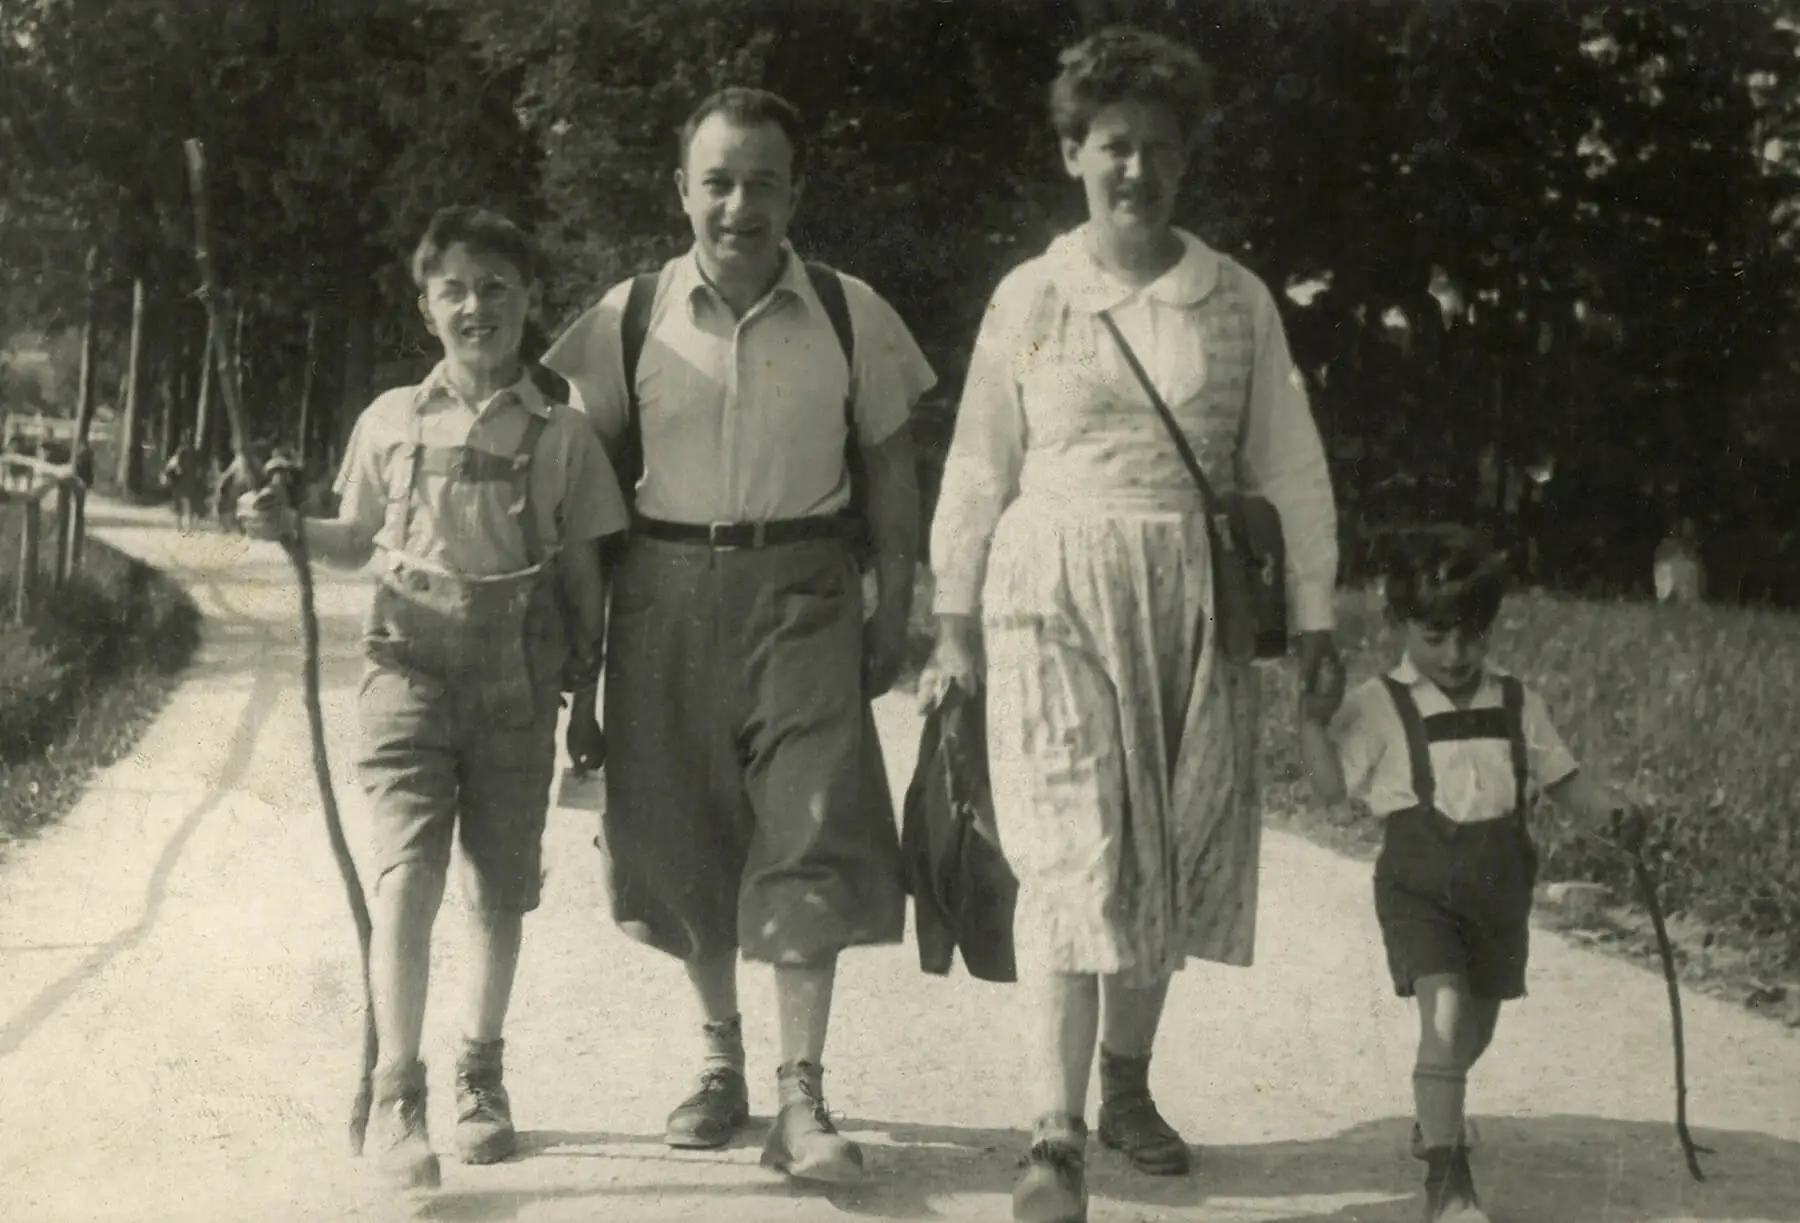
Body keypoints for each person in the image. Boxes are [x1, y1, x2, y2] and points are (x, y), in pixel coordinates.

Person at [921, 27, 1343, 1222]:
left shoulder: (1237, 299)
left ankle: (1127, 1085)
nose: (1137, 171)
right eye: (1114, 147)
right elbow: (976, 465)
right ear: (1073, 154)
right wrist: (952, 622)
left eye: (1161, 150)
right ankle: (1051, 1132)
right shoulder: (1033, 295)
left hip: (1191, 598)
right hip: (1048, 584)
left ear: (1186, 161)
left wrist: (1313, 611)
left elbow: (1293, 467)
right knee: (1066, 848)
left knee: (1162, 839)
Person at [541, 86, 935, 1184]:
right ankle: (722, 1061)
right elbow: (581, 485)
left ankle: (801, 1096)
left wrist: (893, 604)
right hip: (662, 588)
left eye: (764, 180)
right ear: (682, 190)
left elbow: (894, 476)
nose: (740, 203)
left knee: (808, 826)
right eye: (717, 180)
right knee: (680, 833)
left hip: (806, 585)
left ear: (795, 191)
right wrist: (582, 636)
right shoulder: (630, 315)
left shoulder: (853, 314)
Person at [239, 205, 626, 1190]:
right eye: (453, 287)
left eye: (496, 285)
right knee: (405, 874)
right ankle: (400, 1085)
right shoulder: (389, 420)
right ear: (426, 306)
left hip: (518, 682)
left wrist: (588, 694)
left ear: (530, 300)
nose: (475, 305)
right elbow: (350, 533)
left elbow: (585, 578)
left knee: (500, 888)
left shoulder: (564, 433)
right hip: (405, 669)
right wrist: (286, 523)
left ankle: (479, 1073)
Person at [1296, 524, 1648, 1223]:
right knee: (1447, 1016)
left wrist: (1616, 816)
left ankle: (1437, 1111)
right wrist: (1310, 722)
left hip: (1500, 890)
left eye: (1472, 636)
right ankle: (1447, 1181)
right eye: (1436, 636)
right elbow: (1332, 787)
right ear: (1401, 624)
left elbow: (1567, 782)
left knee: (1474, 1026)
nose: (1456, 655)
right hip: (1418, 888)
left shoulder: (1517, 699)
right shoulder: (1379, 705)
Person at [162, 431, 205, 532]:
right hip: (191, 480)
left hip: (181, 480)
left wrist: (174, 475)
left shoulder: (181, 451)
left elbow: (176, 465)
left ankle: (179, 526)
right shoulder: (195, 451)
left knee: (179, 503)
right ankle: (190, 527)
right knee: (191, 503)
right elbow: (200, 468)